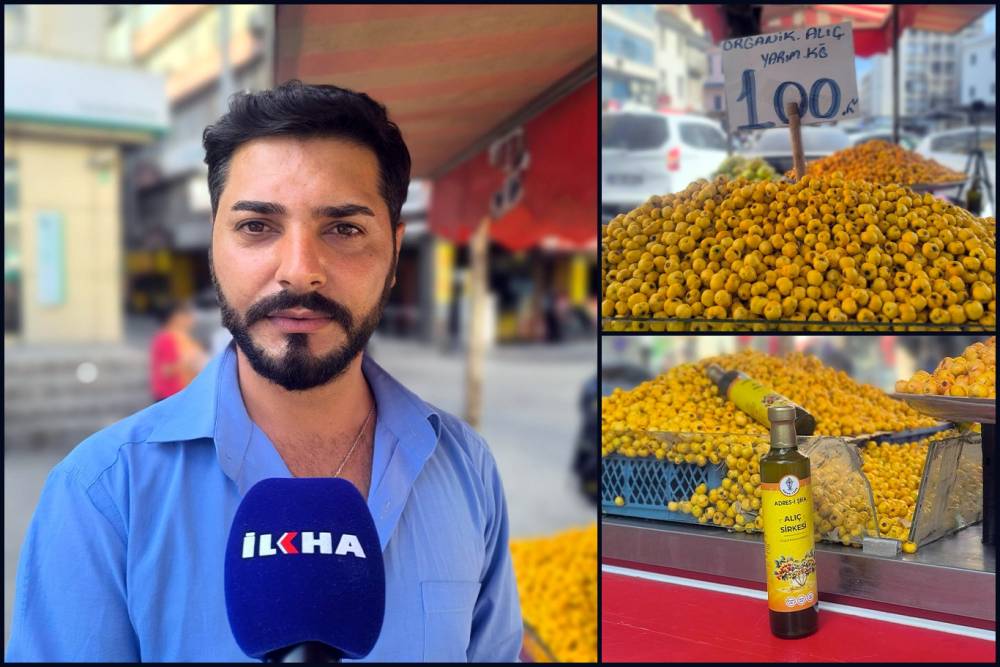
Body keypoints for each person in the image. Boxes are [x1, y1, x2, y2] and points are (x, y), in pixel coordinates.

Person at [7, 81, 522, 662]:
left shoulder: (465, 469)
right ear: (213, 247)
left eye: (345, 228)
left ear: (396, 253)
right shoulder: (102, 494)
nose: (300, 272)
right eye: (257, 226)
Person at [149, 300, 209, 401]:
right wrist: (190, 363)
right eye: (187, 314)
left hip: (187, 394)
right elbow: (166, 370)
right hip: (171, 396)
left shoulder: (187, 338)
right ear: (176, 317)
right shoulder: (166, 339)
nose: (192, 318)